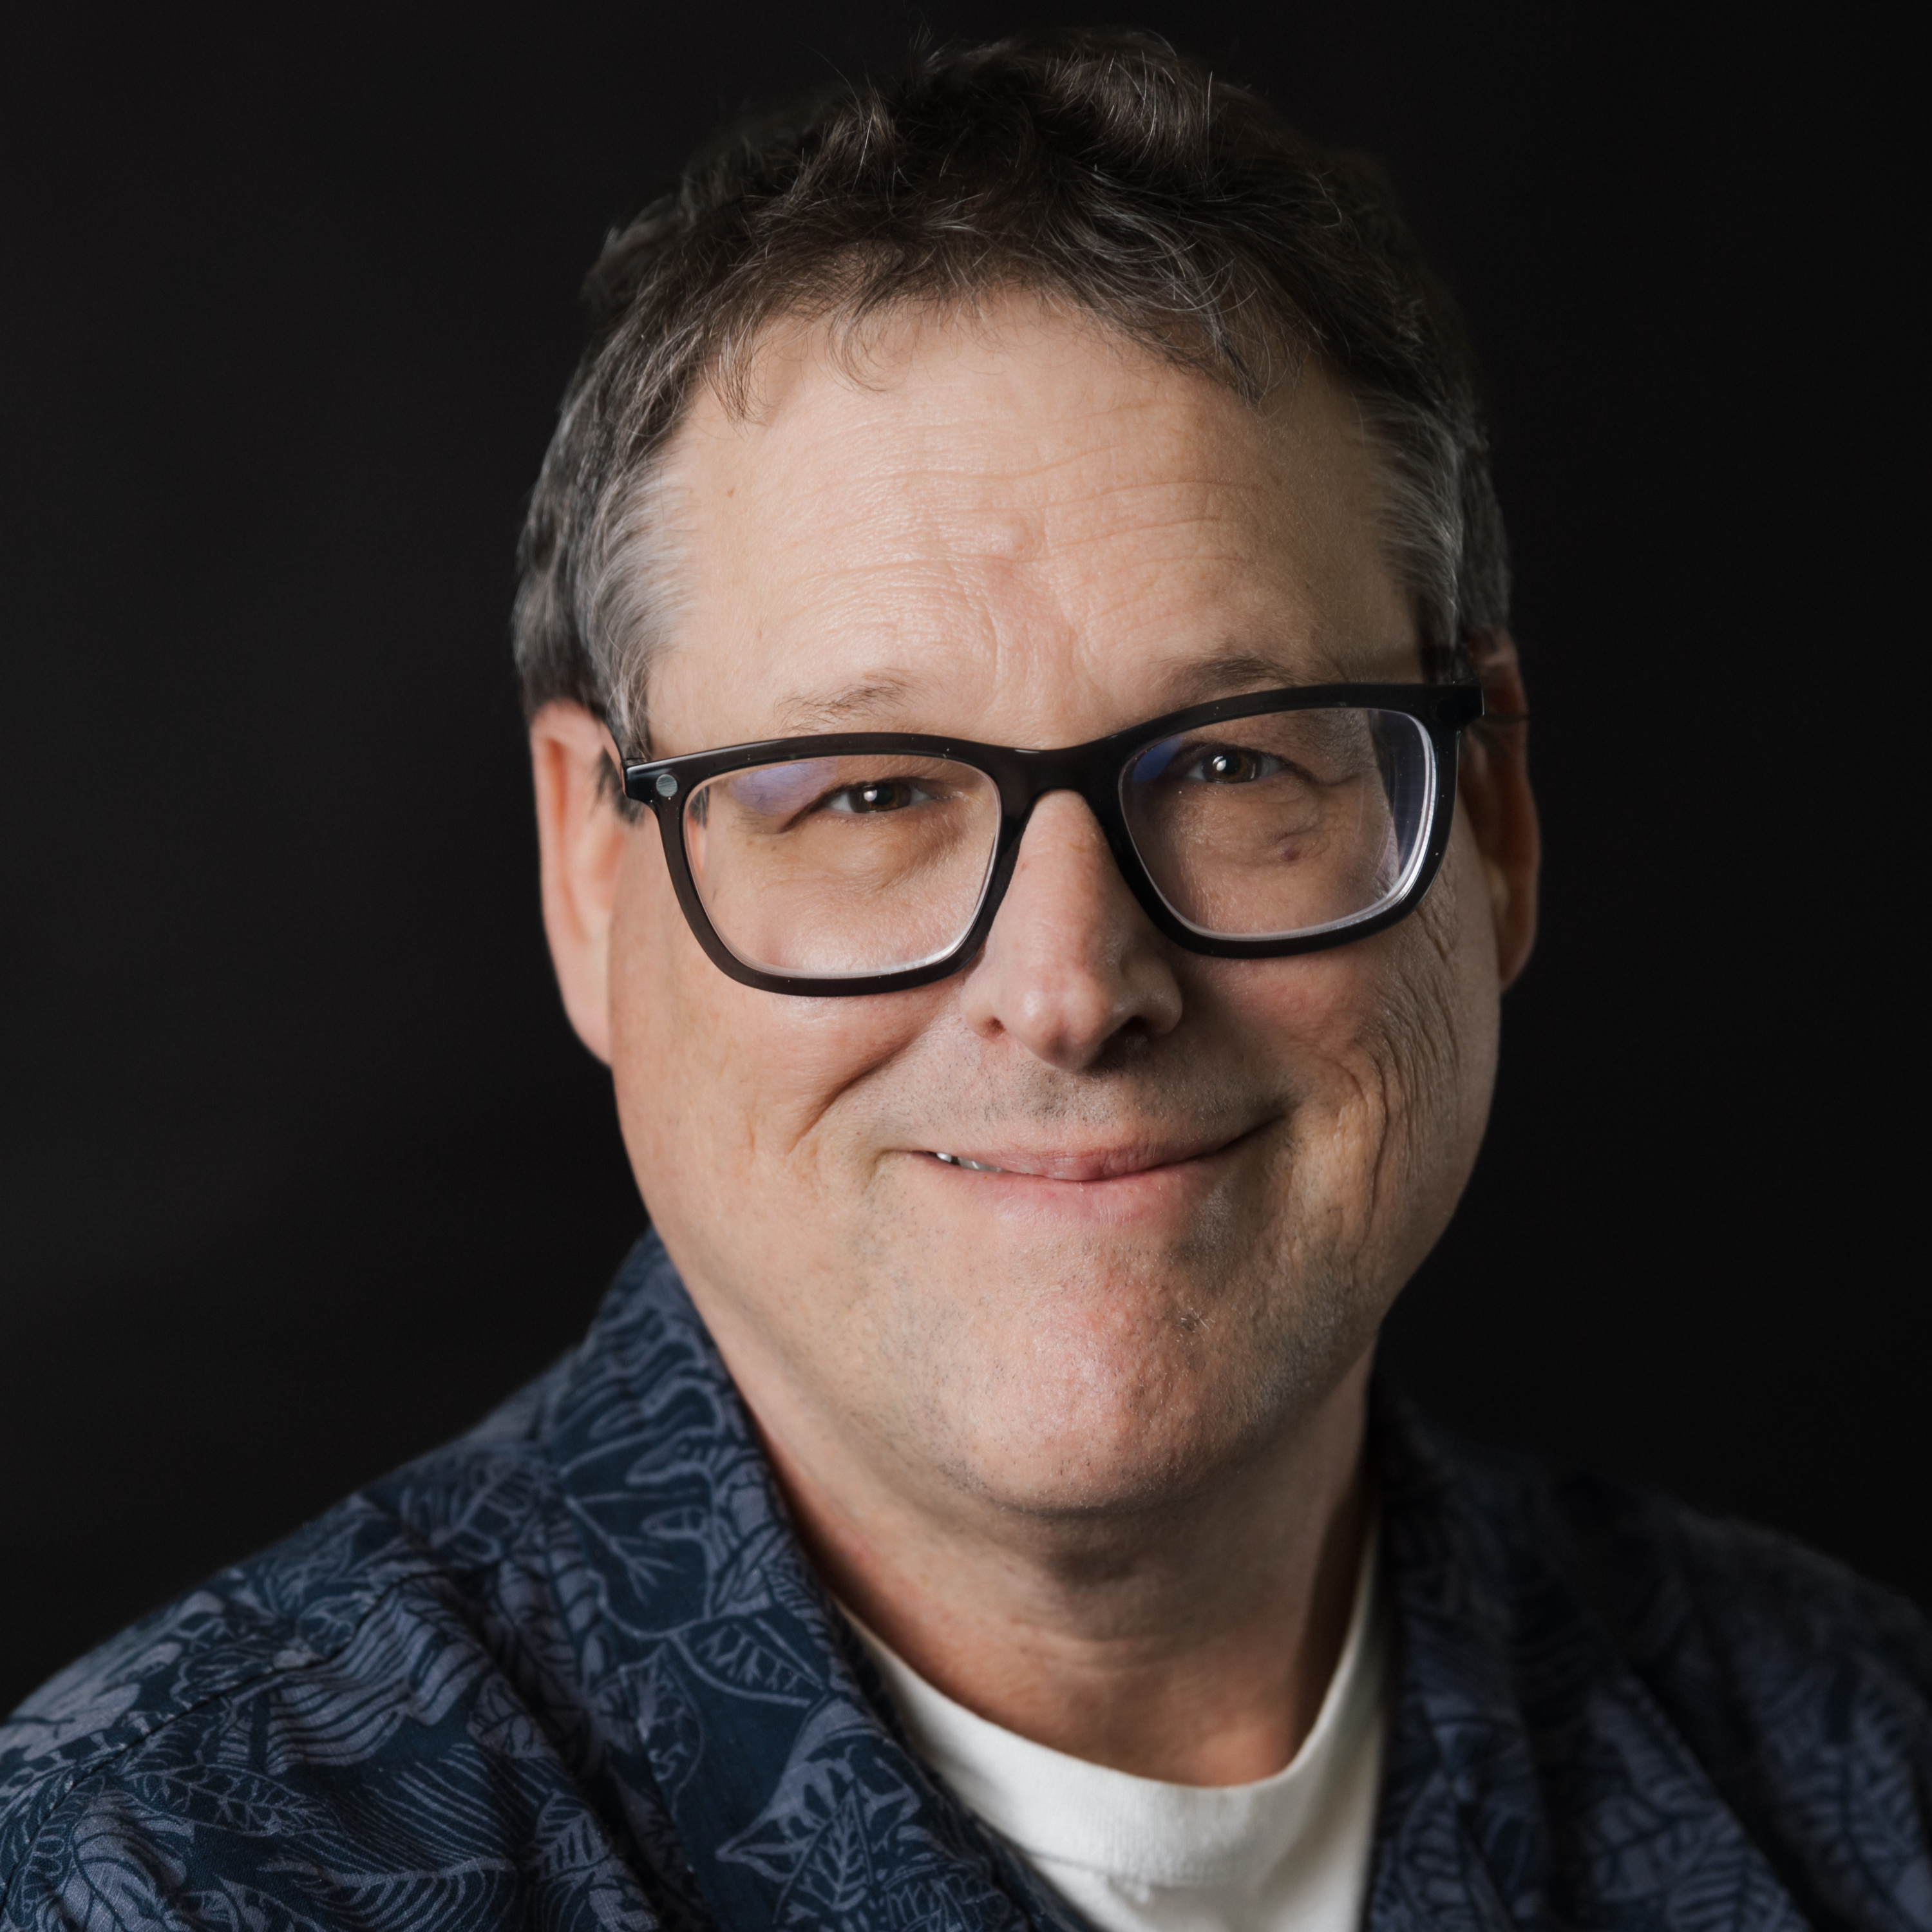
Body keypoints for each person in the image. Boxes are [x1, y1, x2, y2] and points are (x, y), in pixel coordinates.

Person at [2, 28, 1926, 1931]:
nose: (1073, 986)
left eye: (1235, 763)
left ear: (1489, 819)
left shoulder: (1873, 1775)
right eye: (867, 793)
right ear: (594, 878)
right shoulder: (146, 1878)